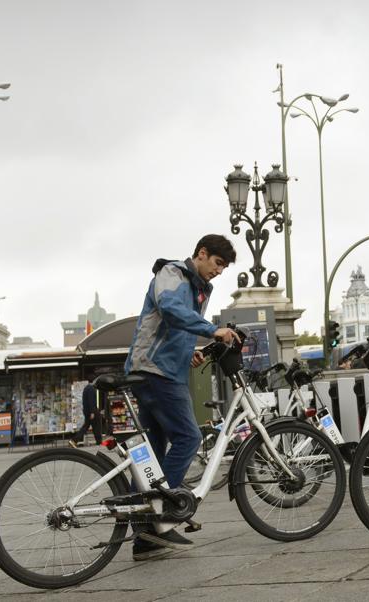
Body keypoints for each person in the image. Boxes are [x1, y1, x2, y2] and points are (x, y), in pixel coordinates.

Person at [124, 234, 240, 560]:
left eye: (223, 267)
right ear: (202, 254)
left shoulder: (198, 285)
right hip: (155, 372)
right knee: (189, 438)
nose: (219, 271)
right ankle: (159, 517)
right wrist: (212, 329)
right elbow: (171, 310)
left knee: (154, 455)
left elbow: (171, 330)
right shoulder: (172, 273)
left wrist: (190, 352)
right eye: (217, 263)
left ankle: (145, 538)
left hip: (161, 369)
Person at [69, 382, 100, 447]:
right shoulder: (91, 389)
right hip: (91, 411)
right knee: (95, 426)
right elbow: (91, 401)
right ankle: (99, 442)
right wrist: (92, 412)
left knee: (88, 426)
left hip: (87, 411)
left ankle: (74, 440)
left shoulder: (86, 388)